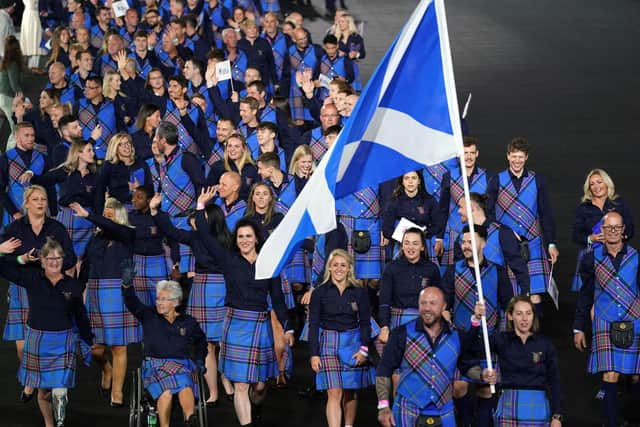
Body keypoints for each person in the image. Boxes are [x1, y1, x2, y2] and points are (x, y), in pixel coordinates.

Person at [194, 187, 295, 427]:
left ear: (257, 238)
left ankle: (256, 404)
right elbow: (206, 238)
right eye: (240, 237)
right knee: (240, 385)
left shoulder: (268, 264)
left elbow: (278, 299)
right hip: (236, 324)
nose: (244, 241)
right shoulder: (228, 259)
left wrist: (288, 327)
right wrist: (200, 207)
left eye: (248, 236)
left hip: (260, 326)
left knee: (259, 386)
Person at [149, 191, 233, 405]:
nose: (194, 221)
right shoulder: (196, 237)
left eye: (200, 217)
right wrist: (154, 211)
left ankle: (227, 379)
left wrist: (199, 204)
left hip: (221, 288)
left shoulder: (225, 241)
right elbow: (171, 231)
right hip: (202, 288)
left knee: (224, 341)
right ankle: (213, 391)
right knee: (206, 342)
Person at [0, 237, 91, 427]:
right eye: (50, 258)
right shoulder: (32, 278)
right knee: (43, 393)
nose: (54, 262)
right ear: (42, 260)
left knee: (60, 390)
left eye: (58, 258)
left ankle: (60, 421)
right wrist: (13, 256)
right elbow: (3, 268)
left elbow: (81, 315)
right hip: (38, 340)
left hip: (63, 341)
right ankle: (50, 424)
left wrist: (87, 341)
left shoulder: (72, 285)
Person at [0, 185, 76, 402]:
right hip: (22, 286)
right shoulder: (14, 229)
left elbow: (70, 257)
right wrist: (21, 259)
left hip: (49, 286)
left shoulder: (56, 228)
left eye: (43, 199)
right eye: (35, 199)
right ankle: (30, 379)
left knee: (43, 338)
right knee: (23, 345)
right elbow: (3, 261)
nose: (41, 203)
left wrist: (52, 265)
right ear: (26, 203)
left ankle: (36, 383)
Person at [376, 286, 479, 427]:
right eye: (423, 303)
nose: (427, 308)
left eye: (432, 303)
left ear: (444, 306)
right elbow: (384, 369)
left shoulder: (457, 336)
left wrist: (484, 375)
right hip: (407, 409)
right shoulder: (401, 333)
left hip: (444, 410)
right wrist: (383, 406)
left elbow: (468, 367)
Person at [441, 225, 513, 427]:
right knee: (458, 387)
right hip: (461, 341)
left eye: (470, 242)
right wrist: (449, 327)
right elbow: (445, 307)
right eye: (463, 242)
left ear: (483, 243)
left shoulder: (497, 271)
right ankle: (465, 421)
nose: (465, 246)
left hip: (488, 341)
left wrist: (502, 337)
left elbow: (508, 306)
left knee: (485, 390)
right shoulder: (453, 270)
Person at [574, 211, 640, 427]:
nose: (612, 231)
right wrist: (579, 328)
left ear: (623, 231)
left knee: (636, 374)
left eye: (616, 227)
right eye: (608, 227)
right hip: (605, 321)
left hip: (635, 319)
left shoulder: (636, 257)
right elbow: (585, 294)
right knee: (610, 375)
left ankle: (632, 419)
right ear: (601, 230)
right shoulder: (591, 257)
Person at [72, 198, 138, 408]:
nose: (107, 213)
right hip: (96, 293)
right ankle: (106, 367)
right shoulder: (95, 239)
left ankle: (117, 392)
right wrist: (78, 290)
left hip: (118, 293)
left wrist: (90, 216)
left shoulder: (127, 234)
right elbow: (84, 266)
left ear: (119, 214)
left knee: (119, 346)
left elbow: (113, 228)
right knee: (95, 348)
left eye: (111, 210)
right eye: (105, 209)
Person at [121, 272, 207, 427]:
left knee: (185, 383)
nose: (159, 303)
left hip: (182, 365)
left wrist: (200, 359)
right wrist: (127, 286)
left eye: (164, 299)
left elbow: (201, 342)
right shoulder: (149, 315)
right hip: (155, 366)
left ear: (176, 302)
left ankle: (190, 419)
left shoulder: (188, 322)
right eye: (158, 299)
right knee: (166, 391)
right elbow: (132, 302)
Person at [486, 138, 558, 312]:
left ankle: (534, 337)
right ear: (508, 156)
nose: (517, 160)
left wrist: (551, 243)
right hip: (506, 244)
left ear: (526, 157)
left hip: (533, 243)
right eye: (514, 156)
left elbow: (546, 213)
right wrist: (504, 232)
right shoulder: (496, 180)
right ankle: (512, 337)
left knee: (534, 293)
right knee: (511, 292)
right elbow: (488, 213)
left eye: (521, 157)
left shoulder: (537, 179)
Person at [471, 296, 563, 426]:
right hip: (508, 408)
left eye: (528, 313)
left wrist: (557, 416)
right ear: (510, 316)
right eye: (519, 314)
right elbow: (471, 347)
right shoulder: (501, 340)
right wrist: (476, 320)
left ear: (533, 316)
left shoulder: (545, 344)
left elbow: (555, 381)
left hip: (538, 410)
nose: (524, 319)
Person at [309, 249, 374, 427]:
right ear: (329, 267)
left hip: (353, 343)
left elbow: (366, 323)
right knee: (334, 392)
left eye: (343, 265)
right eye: (335, 264)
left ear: (349, 269)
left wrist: (364, 349)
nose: (339, 268)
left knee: (350, 392)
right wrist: (314, 354)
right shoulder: (319, 293)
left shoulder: (359, 293)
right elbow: (313, 324)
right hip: (328, 344)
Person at [571, 168, 634, 291]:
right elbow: (576, 235)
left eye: (599, 182)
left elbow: (630, 229)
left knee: (617, 292)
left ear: (607, 183)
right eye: (592, 184)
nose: (596, 186)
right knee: (591, 295)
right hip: (591, 256)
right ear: (589, 188)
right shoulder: (583, 208)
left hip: (616, 255)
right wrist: (590, 238)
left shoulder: (618, 203)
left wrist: (616, 238)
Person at [378, 228, 441, 347]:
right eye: (406, 243)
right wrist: (384, 327)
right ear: (402, 246)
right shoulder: (391, 268)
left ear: (422, 247)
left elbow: (438, 299)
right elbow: (384, 300)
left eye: (415, 243)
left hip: (425, 320)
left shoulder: (432, 269)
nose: (410, 247)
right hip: (397, 321)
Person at [439, 137, 489, 273]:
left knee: (479, 274)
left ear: (477, 153)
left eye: (472, 153)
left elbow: (489, 210)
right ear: (460, 154)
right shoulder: (449, 176)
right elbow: (442, 209)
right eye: (465, 153)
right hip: (454, 235)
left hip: (477, 235)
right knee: (454, 276)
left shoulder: (487, 176)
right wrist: (439, 237)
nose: (469, 157)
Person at [382, 170, 444, 265]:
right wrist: (402, 239)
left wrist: (423, 235)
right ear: (402, 181)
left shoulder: (429, 200)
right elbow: (386, 228)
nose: (410, 181)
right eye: (407, 178)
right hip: (401, 246)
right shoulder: (394, 202)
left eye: (413, 178)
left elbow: (438, 224)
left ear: (419, 181)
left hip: (424, 245)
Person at [94, 132, 152, 213]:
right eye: (121, 144)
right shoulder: (108, 166)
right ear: (115, 149)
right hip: (117, 211)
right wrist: (99, 214)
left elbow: (150, 189)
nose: (126, 146)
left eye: (127, 142)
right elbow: (99, 191)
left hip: (139, 211)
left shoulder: (142, 164)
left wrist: (139, 189)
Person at [0, 35, 24, 151]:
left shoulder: (5, 62)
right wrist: (20, 96)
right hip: (8, 97)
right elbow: (14, 84)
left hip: (3, 96)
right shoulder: (12, 64)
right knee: (15, 125)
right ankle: (12, 150)